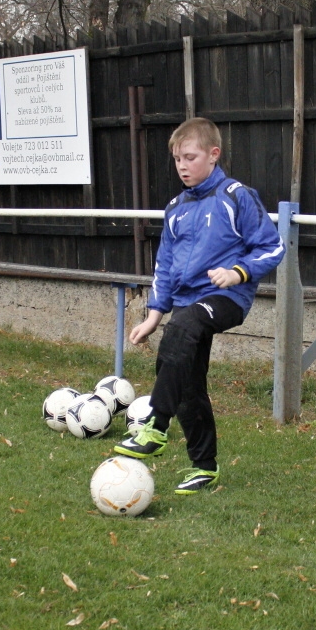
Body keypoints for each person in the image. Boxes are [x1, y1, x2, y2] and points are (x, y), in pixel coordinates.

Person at [115, 117, 285, 495]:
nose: (182, 166)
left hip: (227, 298)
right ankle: (204, 468)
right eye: (177, 159)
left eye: (190, 157)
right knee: (186, 380)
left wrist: (238, 272)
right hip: (187, 305)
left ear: (213, 155)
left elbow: (273, 247)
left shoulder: (237, 195)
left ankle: (156, 425)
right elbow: (166, 264)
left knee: (185, 327)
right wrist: (153, 315)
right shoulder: (175, 207)